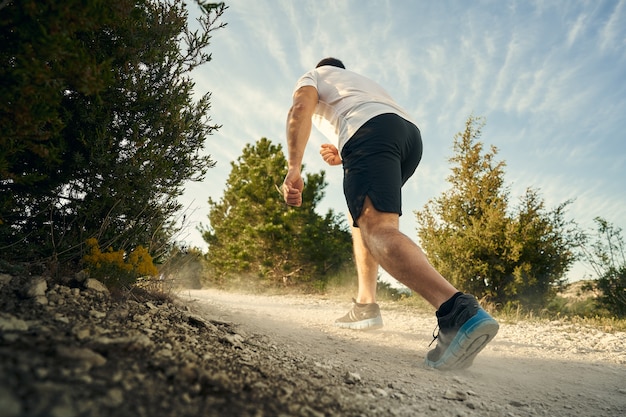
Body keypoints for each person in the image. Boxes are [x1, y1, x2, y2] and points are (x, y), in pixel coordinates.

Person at [282, 57, 498, 370]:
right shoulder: (357, 82)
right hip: (407, 136)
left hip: (370, 132)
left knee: (379, 230)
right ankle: (366, 304)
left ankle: (457, 310)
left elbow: (299, 109)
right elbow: (376, 118)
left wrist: (293, 167)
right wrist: (345, 154)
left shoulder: (314, 74)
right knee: (362, 219)